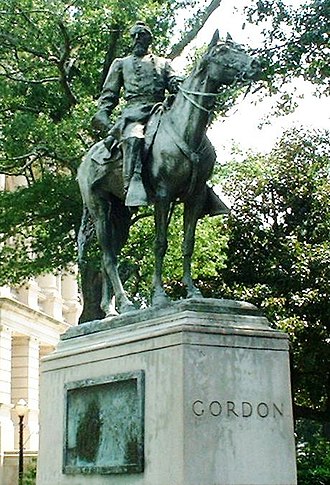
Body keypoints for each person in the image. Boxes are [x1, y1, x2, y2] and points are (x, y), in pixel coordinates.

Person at [92, 21, 182, 207]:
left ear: (149, 38)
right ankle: (133, 182)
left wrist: (179, 83)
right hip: (134, 113)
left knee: (189, 136)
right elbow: (109, 94)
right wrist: (104, 113)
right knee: (134, 137)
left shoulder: (164, 63)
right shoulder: (121, 64)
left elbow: (173, 82)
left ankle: (201, 186)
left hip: (161, 111)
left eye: (141, 35)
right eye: (134, 35)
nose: (137, 39)